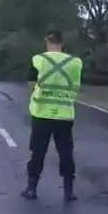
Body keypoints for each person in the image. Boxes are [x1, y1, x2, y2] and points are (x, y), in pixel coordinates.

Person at [21, 30, 83, 202]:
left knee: (38, 152)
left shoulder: (39, 60)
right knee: (66, 153)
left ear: (47, 42)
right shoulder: (75, 63)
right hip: (64, 115)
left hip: (41, 113)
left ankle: (31, 188)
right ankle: (68, 191)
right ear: (62, 43)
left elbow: (31, 84)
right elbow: (76, 87)